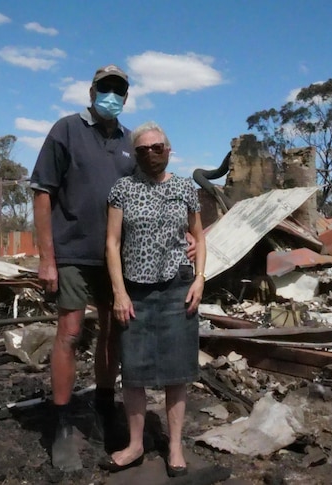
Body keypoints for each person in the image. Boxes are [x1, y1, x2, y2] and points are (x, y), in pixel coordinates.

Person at [30, 64, 135, 472]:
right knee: (70, 333)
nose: (112, 95)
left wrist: (187, 232)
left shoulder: (130, 142)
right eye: (105, 88)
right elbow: (42, 194)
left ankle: (106, 410)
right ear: (92, 91)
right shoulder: (66, 130)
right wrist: (46, 258)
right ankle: (61, 425)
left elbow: (146, 195)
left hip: (116, 258)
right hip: (72, 252)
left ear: (125, 97)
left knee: (112, 335)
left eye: (119, 90)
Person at [101, 121, 207, 478]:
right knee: (134, 372)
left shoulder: (184, 189)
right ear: (135, 154)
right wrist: (119, 292)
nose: (150, 154)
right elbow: (112, 243)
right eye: (142, 149)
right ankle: (135, 445)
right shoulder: (122, 190)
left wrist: (200, 279)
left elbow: (199, 237)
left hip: (178, 287)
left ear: (168, 149)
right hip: (136, 291)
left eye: (156, 147)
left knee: (178, 372)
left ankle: (175, 446)